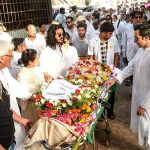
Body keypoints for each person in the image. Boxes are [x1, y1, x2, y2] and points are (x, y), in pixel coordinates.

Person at [106, 22, 150, 148]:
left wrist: (145, 105)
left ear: (147, 37)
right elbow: (130, 67)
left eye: (137, 38)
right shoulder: (141, 51)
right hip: (140, 95)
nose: (135, 41)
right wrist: (115, 79)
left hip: (147, 101)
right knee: (145, 132)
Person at [0, 40, 32, 150]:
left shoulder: (3, 71)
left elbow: (4, 106)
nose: (13, 57)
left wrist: (21, 120)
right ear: (1, 58)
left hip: (9, 139)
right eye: (10, 55)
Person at [88, 22, 120, 119]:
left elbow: (116, 54)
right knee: (99, 93)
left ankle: (110, 112)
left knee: (111, 93)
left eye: (111, 33)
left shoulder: (113, 40)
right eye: (109, 33)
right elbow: (91, 57)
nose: (111, 35)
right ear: (103, 33)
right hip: (98, 72)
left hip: (110, 71)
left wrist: (114, 68)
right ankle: (101, 114)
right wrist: (93, 71)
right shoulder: (93, 41)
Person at [17, 49, 46, 123]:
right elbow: (23, 93)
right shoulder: (21, 74)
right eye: (36, 59)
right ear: (30, 62)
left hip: (42, 102)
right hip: (31, 106)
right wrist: (37, 98)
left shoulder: (38, 69)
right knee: (34, 126)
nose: (38, 60)